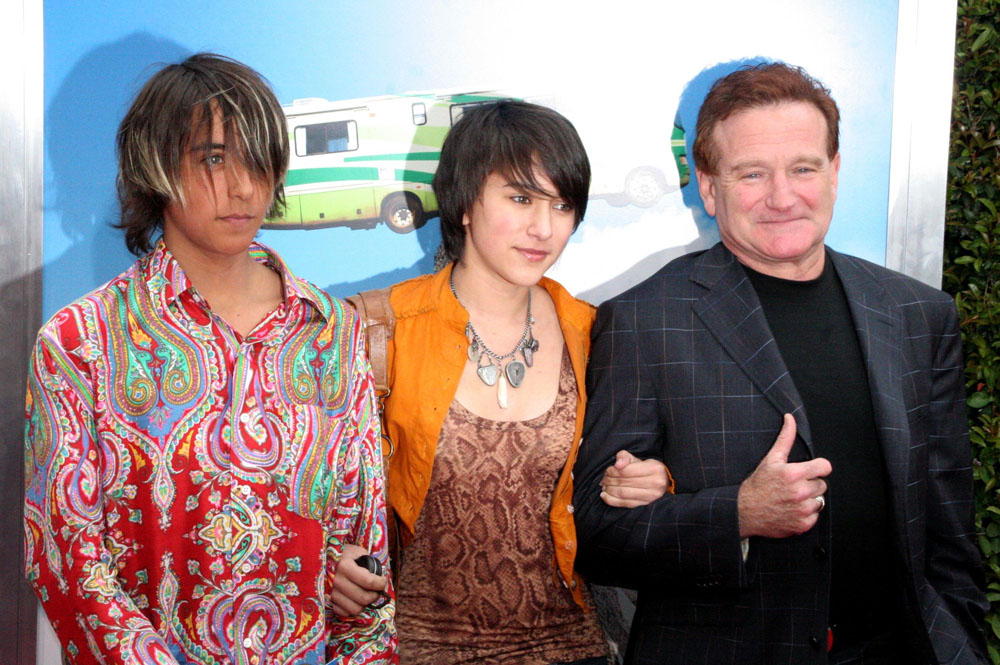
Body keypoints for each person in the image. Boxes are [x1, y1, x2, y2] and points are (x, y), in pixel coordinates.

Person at [572, 62, 989, 665]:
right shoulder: (641, 321)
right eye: (752, 173)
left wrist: (960, 645)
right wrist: (737, 514)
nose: (783, 196)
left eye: (803, 169)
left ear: (835, 173)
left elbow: (949, 528)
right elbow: (596, 537)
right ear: (708, 188)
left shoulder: (917, 313)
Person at [22, 53, 395, 664]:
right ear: (155, 165)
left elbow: (364, 544)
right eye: (214, 159)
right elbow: (68, 560)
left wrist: (332, 571)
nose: (243, 187)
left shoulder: (332, 334)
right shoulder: (79, 343)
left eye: (259, 160)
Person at [335, 100, 671, 664]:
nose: (544, 228)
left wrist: (656, 481)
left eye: (562, 205)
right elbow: (299, 487)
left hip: (575, 648)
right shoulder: (373, 328)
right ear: (465, 201)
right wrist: (328, 557)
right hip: (417, 649)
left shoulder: (596, 334)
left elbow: (631, 483)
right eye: (520, 199)